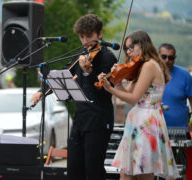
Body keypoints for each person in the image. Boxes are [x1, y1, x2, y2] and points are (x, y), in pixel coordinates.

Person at [31, 14, 117, 180]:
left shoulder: (108, 57)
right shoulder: (81, 55)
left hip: (99, 120)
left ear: (100, 34)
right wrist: (42, 91)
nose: (85, 41)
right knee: (73, 170)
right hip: (80, 119)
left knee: (93, 170)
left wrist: (87, 74)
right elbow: (63, 73)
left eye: (89, 36)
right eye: (81, 37)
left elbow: (105, 90)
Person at [98, 30, 180, 179]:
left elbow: (133, 98)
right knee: (127, 173)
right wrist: (116, 82)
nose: (128, 52)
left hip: (146, 123)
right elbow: (127, 93)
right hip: (139, 122)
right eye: (127, 48)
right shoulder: (143, 66)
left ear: (142, 45)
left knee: (142, 173)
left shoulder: (149, 66)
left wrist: (109, 88)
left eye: (131, 47)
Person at [159, 43, 192, 139]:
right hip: (156, 131)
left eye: (171, 58)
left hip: (180, 133)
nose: (167, 60)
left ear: (175, 58)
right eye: (164, 57)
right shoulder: (150, 73)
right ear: (158, 56)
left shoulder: (184, 75)